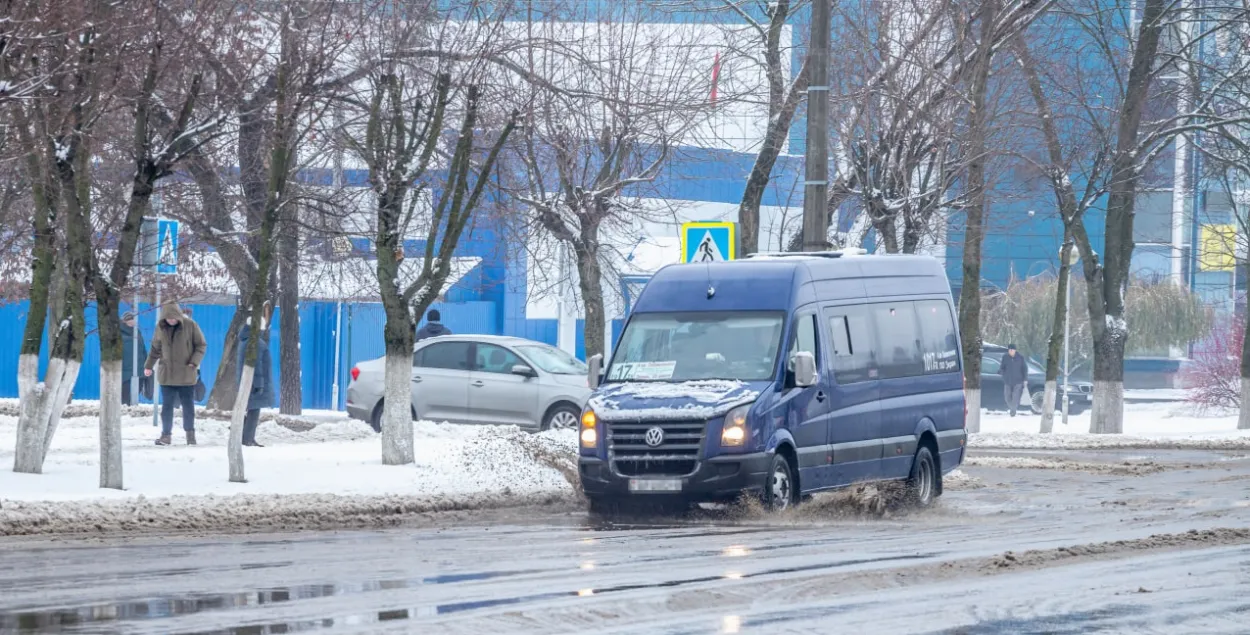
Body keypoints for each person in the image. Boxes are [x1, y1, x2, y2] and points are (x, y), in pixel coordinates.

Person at [145, 303, 207, 445]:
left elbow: (201, 345)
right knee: (166, 407)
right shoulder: (160, 328)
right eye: (168, 318)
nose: (171, 321)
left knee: (188, 406)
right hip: (167, 375)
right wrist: (148, 365)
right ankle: (166, 435)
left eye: (174, 318)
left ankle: (190, 435)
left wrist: (194, 362)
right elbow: (155, 348)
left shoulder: (191, 325)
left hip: (186, 373)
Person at [236, 323, 273, 447]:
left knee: (249, 410)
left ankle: (245, 437)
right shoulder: (254, 343)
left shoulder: (245, 341)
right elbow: (256, 365)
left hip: (247, 382)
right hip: (254, 384)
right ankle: (248, 439)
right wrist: (259, 384)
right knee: (254, 412)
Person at [120, 312, 147, 406]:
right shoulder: (119, 332)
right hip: (125, 369)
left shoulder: (137, 332)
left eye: (132, 319)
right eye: (129, 319)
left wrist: (147, 364)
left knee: (137, 391)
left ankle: (131, 410)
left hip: (139, 368)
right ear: (124, 321)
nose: (131, 321)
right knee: (125, 394)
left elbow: (143, 348)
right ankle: (124, 411)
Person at [999, 343, 1029, 417]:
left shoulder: (1020, 357)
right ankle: (1013, 408)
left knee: (1015, 398)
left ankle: (1013, 411)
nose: (1011, 351)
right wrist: (1002, 373)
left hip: (1018, 381)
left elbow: (1024, 369)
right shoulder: (1005, 357)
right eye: (1009, 350)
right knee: (1007, 397)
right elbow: (1002, 367)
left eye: (1012, 350)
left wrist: (1025, 379)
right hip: (1007, 381)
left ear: (1015, 350)